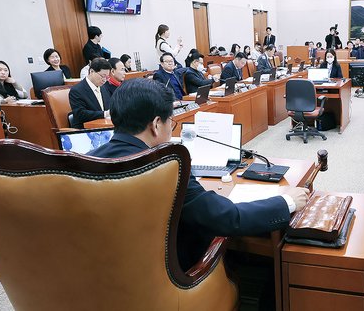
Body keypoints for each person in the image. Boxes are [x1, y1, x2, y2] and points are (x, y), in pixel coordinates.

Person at [88, 78, 309, 270]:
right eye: (170, 124)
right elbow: (229, 219)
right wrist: (286, 202)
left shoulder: (85, 163)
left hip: (98, 280)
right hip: (167, 280)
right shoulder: (166, 170)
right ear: (156, 125)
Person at [69, 57, 112, 128]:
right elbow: (80, 114)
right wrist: (104, 114)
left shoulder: (104, 87)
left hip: (104, 126)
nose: (104, 80)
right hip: (86, 129)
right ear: (91, 71)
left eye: (107, 77)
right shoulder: (77, 90)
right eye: (102, 76)